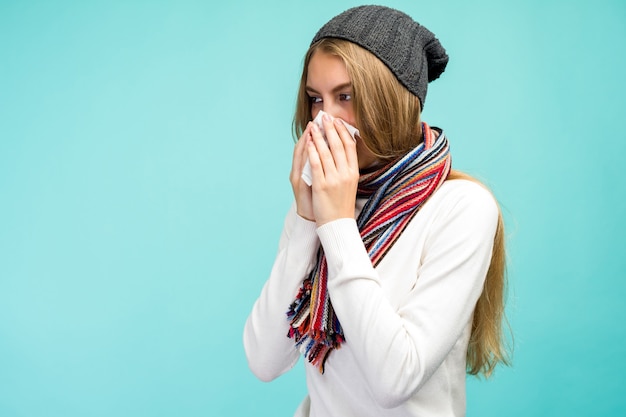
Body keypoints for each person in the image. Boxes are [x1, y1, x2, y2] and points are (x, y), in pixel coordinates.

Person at [243, 5, 510, 417]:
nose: (324, 121)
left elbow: (395, 379)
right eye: (316, 100)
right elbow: (264, 361)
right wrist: (305, 222)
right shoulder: (317, 207)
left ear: (390, 101)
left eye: (345, 97)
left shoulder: (463, 209)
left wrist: (337, 225)